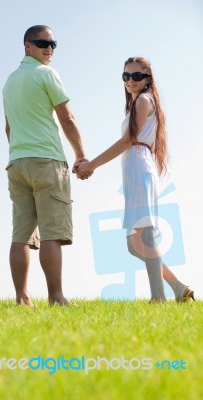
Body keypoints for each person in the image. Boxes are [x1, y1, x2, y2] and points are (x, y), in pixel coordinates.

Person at [77, 57, 194, 303]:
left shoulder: (143, 100)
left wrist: (91, 165)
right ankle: (178, 287)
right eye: (126, 76)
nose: (130, 81)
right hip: (134, 169)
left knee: (146, 234)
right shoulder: (135, 104)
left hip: (139, 167)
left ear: (147, 79)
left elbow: (127, 140)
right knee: (134, 245)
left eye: (136, 76)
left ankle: (158, 298)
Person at [3, 25, 90, 306]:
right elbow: (67, 119)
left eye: (53, 44)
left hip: (17, 163)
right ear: (27, 46)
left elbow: (8, 128)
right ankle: (56, 297)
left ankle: (22, 298)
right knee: (52, 233)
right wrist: (81, 155)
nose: (49, 49)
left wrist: (20, 152)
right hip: (47, 161)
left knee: (21, 236)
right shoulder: (46, 74)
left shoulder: (10, 81)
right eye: (42, 43)